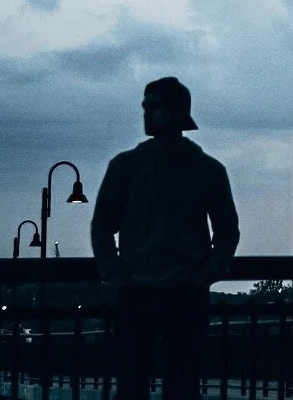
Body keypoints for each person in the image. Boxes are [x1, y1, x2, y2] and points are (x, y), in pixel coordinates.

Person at [92, 77, 240, 400]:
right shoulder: (208, 169)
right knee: (179, 386)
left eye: (153, 107)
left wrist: (114, 274)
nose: (146, 114)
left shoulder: (126, 167)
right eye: (146, 107)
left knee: (138, 386)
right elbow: (227, 230)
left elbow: (103, 226)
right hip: (179, 292)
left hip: (145, 291)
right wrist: (209, 271)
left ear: (175, 113)